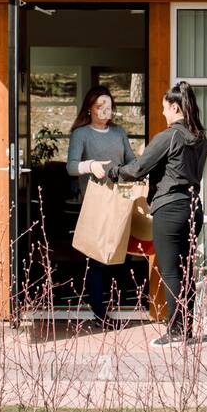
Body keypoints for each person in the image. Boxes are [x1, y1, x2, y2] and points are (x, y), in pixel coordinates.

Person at [92, 81, 207, 347]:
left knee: (170, 272)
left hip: (170, 209)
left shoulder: (169, 136)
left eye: (165, 108)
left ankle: (176, 331)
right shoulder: (199, 137)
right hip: (193, 207)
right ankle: (185, 328)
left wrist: (113, 172)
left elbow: (138, 168)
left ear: (176, 107)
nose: (163, 114)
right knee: (185, 269)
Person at [66, 85, 137, 326]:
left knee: (120, 254)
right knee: (96, 258)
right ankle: (99, 312)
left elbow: (132, 162)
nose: (105, 111)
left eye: (108, 107)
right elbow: (71, 166)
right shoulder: (81, 134)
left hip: (120, 201)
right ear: (90, 109)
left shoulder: (119, 133)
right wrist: (91, 165)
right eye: (100, 107)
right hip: (94, 202)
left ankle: (122, 303)